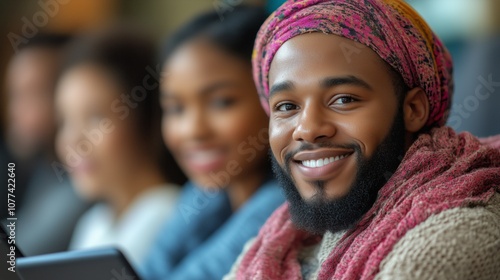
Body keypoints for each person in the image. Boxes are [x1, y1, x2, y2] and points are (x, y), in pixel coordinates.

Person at [226, 0, 500, 279]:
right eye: (286, 107)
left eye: (343, 99)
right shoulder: (281, 238)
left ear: (413, 110)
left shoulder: (450, 242)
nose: (307, 129)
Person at [140, 6, 285, 280]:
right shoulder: (202, 197)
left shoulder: (283, 205)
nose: (194, 131)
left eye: (221, 102)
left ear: (274, 98)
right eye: (175, 108)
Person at [54, 26, 186, 267]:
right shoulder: (94, 223)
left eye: (95, 117)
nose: (72, 140)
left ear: (146, 116)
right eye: (64, 120)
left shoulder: (167, 216)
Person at [2, 33, 90, 256]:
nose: (18, 111)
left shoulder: (83, 184)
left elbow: (12, 258)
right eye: (15, 94)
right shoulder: (41, 167)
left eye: (36, 92)